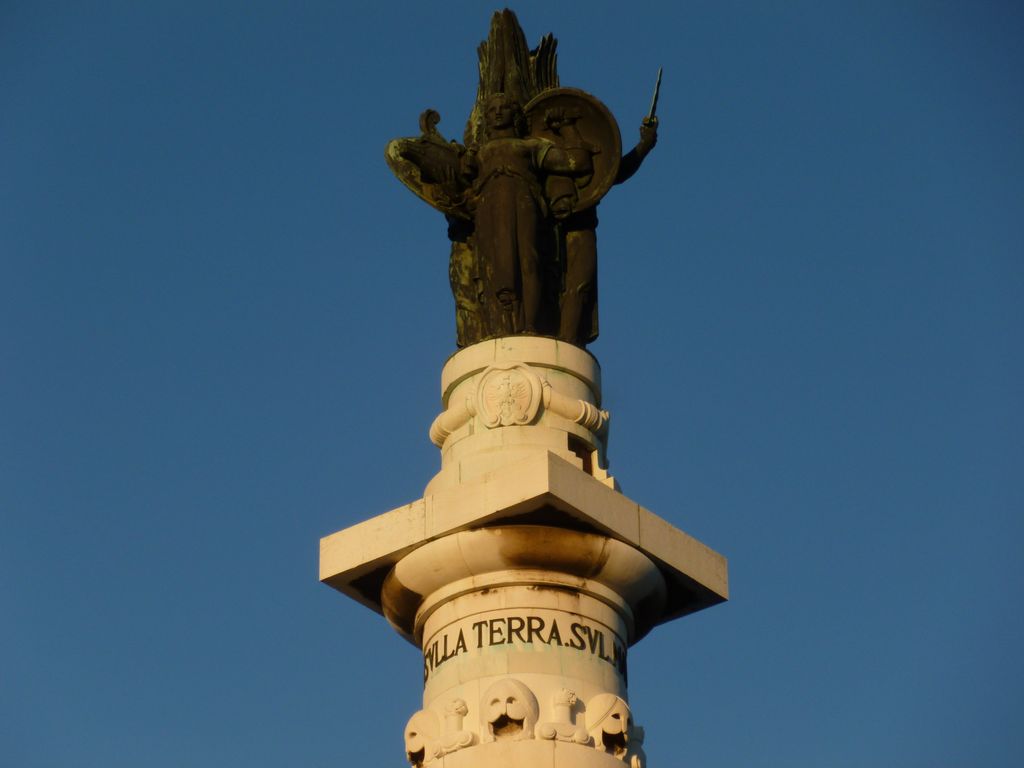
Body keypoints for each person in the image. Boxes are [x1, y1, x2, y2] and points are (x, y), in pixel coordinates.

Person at [466, 93, 592, 336]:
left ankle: (530, 325)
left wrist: (567, 128)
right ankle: (501, 326)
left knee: (528, 259)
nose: (498, 112)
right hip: (487, 210)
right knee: (492, 265)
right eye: (492, 109)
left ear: (515, 115)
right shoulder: (477, 153)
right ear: (486, 118)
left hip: (524, 203)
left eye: (504, 108)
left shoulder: (530, 147)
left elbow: (577, 162)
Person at [558, 117, 658, 345]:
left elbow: (613, 172)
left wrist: (644, 146)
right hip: (546, 229)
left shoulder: (585, 155)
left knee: (581, 284)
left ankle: (569, 341)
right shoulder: (544, 153)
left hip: (581, 228)